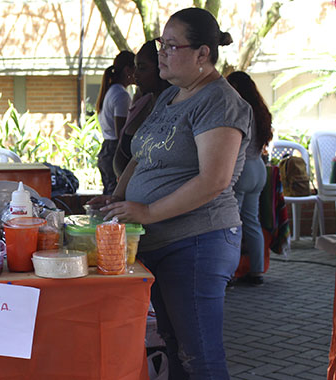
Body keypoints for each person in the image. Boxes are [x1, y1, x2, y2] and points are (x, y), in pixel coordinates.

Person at [89, 8, 252, 380]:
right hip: (159, 241)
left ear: (202, 54)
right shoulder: (169, 97)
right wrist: (118, 196)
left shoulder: (219, 101)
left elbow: (214, 180)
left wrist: (146, 211)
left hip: (197, 240)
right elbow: (142, 156)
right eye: (162, 44)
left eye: (172, 46)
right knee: (173, 346)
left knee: (200, 355)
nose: (161, 52)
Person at [227, 71, 273, 286]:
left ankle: (228, 274)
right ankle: (256, 272)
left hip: (243, 169)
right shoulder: (259, 110)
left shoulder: (238, 110)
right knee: (252, 222)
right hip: (258, 169)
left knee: (232, 224)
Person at [112, 40, 171, 177]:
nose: (135, 74)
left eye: (142, 68)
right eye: (135, 67)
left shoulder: (175, 107)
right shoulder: (141, 103)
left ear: (161, 68)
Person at [95, 50, 135, 195]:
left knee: (109, 194)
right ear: (127, 70)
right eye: (137, 68)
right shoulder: (121, 95)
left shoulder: (111, 91)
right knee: (115, 197)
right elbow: (122, 132)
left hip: (106, 149)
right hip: (113, 150)